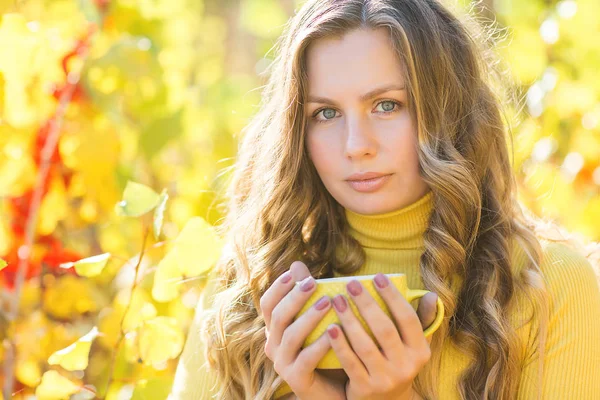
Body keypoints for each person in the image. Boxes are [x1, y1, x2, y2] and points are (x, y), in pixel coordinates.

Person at [170, 0, 600, 399]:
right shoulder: (247, 288)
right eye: (326, 113)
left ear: (449, 109)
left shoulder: (551, 287)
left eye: (387, 105)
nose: (356, 145)